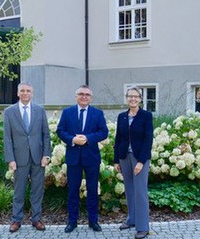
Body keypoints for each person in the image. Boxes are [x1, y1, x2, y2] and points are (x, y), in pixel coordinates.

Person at [56, 85, 108, 233]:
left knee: (92, 190)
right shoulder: (68, 112)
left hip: (91, 158)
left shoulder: (98, 113)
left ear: (90, 98)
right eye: (81, 94)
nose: (84, 96)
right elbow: (60, 131)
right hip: (73, 158)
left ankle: (93, 221)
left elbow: (104, 132)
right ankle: (72, 222)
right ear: (76, 96)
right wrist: (72, 139)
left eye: (87, 94)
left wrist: (88, 138)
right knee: (73, 190)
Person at [4, 82, 51, 233]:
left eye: (28, 91)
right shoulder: (9, 112)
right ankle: (16, 220)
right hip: (19, 158)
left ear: (32, 93)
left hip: (38, 158)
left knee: (37, 190)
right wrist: (10, 159)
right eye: (22, 91)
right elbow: (7, 137)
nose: (25, 93)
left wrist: (46, 155)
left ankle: (36, 219)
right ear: (18, 93)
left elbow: (46, 134)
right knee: (19, 191)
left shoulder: (40, 110)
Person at [113, 86, 153, 239]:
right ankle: (132, 219)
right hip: (124, 157)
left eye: (136, 96)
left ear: (140, 99)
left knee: (140, 191)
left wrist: (141, 162)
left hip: (139, 158)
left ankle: (143, 226)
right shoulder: (122, 116)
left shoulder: (146, 116)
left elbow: (148, 140)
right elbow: (118, 138)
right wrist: (116, 159)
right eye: (130, 96)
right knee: (129, 189)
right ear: (127, 97)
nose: (133, 99)